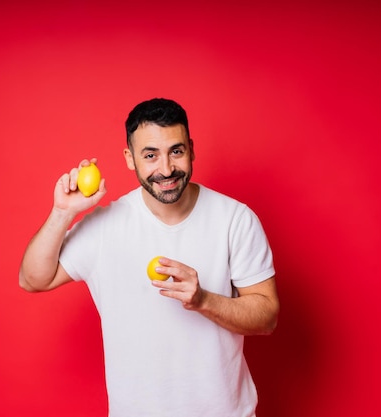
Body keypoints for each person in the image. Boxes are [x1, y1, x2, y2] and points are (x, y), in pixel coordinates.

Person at [19, 98, 279, 417]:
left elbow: (267, 317)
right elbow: (32, 279)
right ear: (130, 158)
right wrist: (62, 213)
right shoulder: (105, 226)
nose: (166, 169)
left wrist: (203, 300)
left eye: (177, 151)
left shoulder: (235, 219)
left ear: (191, 149)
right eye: (151, 155)